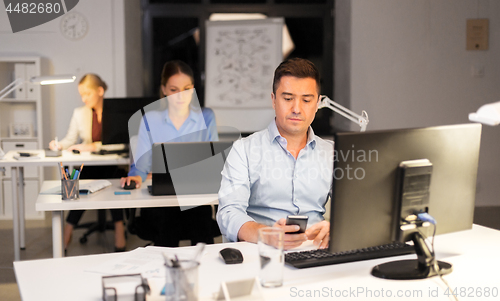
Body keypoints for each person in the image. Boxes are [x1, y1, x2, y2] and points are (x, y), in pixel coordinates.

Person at [217, 58, 333, 250]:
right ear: (273, 100)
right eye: (288, 99)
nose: (296, 109)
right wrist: (267, 234)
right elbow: (228, 212)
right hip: (263, 252)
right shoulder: (244, 150)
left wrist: (336, 227)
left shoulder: (332, 153)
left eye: (306, 100)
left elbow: (354, 210)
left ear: (318, 103)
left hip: (317, 253)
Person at [120, 60, 219, 247]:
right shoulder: (150, 119)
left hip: (195, 196)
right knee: (167, 223)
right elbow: (141, 164)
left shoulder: (206, 117)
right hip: (162, 200)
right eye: (174, 89)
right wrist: (135, 177)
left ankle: (205, 273)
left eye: (187, 88)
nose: (181, 96)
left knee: (200, 221)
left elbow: (212, 161)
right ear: (164, 90)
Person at [49, 74, 127, 252]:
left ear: (100, 91)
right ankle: (67, 230)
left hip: (114, 164)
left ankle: (119, 229)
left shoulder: (115, 112)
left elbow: (123, 143)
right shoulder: (79, 113)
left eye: (87, 94)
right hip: (91, 165)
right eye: (81, 95)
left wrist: (93, 146)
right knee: (77, 185)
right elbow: (70, 139)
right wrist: (59, 144)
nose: (84, 99)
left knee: (114, 180)